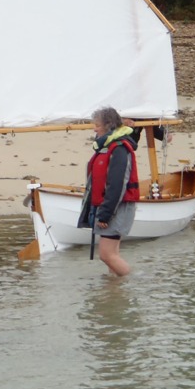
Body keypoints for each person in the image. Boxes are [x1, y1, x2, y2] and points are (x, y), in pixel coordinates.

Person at [78, 107, 140, 276]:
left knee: (106, 255)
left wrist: (105, 213)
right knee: (112, 255)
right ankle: (114, 293)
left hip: (116, 208)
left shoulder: (119, 149)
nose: (94, 128)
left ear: (108, 125)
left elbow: (117, 184)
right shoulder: (106, 146)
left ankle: (134, 282)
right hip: (108, 206)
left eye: (97, 125)